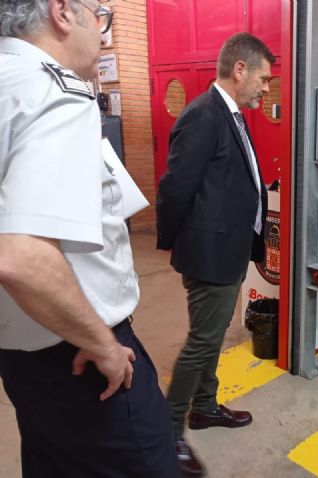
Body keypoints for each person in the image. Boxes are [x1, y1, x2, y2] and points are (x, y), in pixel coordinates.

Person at [0, 1, 180, 476]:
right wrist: (100, 343)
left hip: (20, 353)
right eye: (98, 15)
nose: (102, 32)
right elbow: (21, 256)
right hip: (80, 358)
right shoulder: (52, 91)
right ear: (62, 12)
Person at [156, 32, 274, 476]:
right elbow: (175, 188)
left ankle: (204, 407)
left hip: (228, 247)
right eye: (263, 78)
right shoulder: (204, 116)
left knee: (215, 330)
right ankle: (168, 434)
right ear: (239, 70)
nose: (267, 87)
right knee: (203, 340)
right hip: (209, 252)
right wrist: (175, 241)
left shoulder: (233, 115)